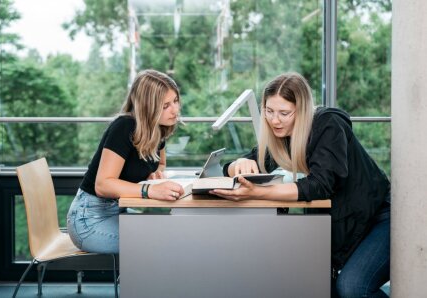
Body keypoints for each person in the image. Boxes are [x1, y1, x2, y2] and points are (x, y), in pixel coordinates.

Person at [213, 72, 390, 298]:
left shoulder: (328, 125)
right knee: (313, 282)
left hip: (378, 217)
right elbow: (241, 162)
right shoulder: (282, 134)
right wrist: (238, 163)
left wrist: (259, 192)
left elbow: (319, 185)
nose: (274, 120)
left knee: (352, 288)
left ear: (302, 111)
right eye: (269, 111)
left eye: (284, 113)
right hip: (343, 222)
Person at [67, 69, 186, 254]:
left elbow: (160, 164)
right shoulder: (124, 127)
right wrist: (151, 190)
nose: (175, 110)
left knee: (173, 234)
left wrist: (153, 173)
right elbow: (103, 185)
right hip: (89, 220)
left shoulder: (159, 130)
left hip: (118, 212)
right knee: (159, 245)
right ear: (148, 106)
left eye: (175, 101)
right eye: (165, 106)